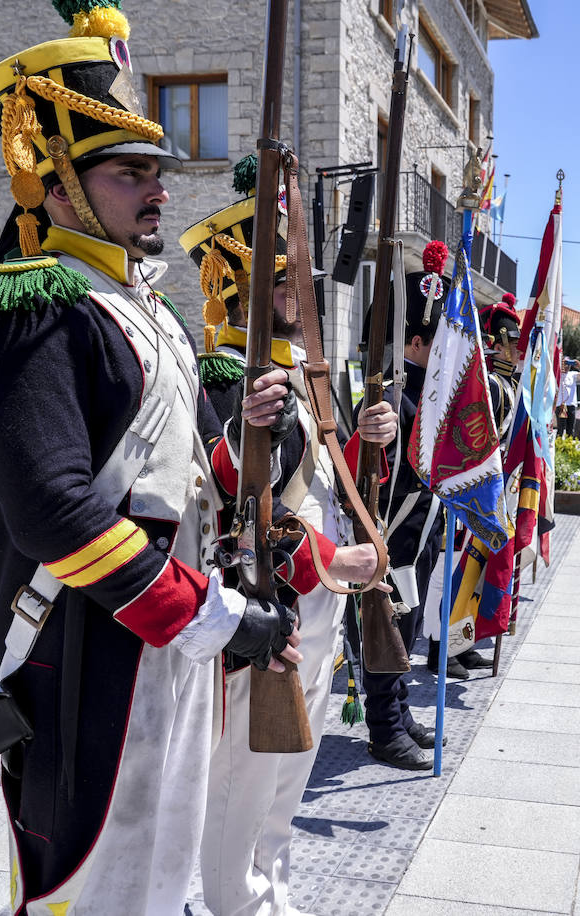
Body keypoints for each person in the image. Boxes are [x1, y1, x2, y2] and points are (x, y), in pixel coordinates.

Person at [0, 9, 338, 910]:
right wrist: (210, 620)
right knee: (91, 888)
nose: (157, 190)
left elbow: (174, 484)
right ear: (56, 179)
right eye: (129, 171)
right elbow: (57, 515)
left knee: (161, 877)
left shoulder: (142, 309)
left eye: (157, 170)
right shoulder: (28, 308)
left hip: (164, 648)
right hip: (85, 658)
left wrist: (240, 459)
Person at [179, 165, 401, 913]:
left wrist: (376, 442)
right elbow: (235, 516)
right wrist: (332, 559)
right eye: (284, 286)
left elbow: (328, 487)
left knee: (284, 789)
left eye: (298, 284)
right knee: (242, 787)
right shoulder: (223, 378)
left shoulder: (308, 375)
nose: (299, 300)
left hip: (319, 608)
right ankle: (234, 904)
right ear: (239, 291)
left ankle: (270, 895)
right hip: (266, 609)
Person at [556, 356, 580, 437]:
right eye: (565, 363)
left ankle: (568, 446)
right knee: (560, 428)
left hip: (571, 405)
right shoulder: (557, 374)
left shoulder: (572, 374)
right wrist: (559, 366)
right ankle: (558, 446)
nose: (567, 366)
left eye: (568, 364)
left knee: (570, 429)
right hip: (561, 405)